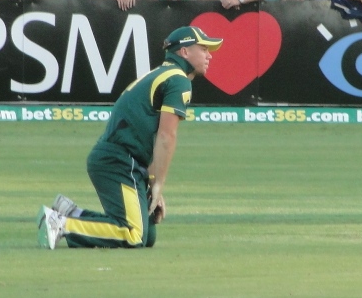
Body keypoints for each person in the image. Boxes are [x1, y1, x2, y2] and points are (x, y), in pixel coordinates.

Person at [37, 25, 223, 249]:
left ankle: (72, 213)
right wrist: (157, 185)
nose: (209, 55)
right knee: (133, 235)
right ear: (184, 52)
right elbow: (166, 135)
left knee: (148, 235)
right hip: (120, 161)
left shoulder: (162, 74)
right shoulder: (178, 79)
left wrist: (150, 183)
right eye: (203, 48)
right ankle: (62, 224)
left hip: (118, 159)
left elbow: (152, 135)